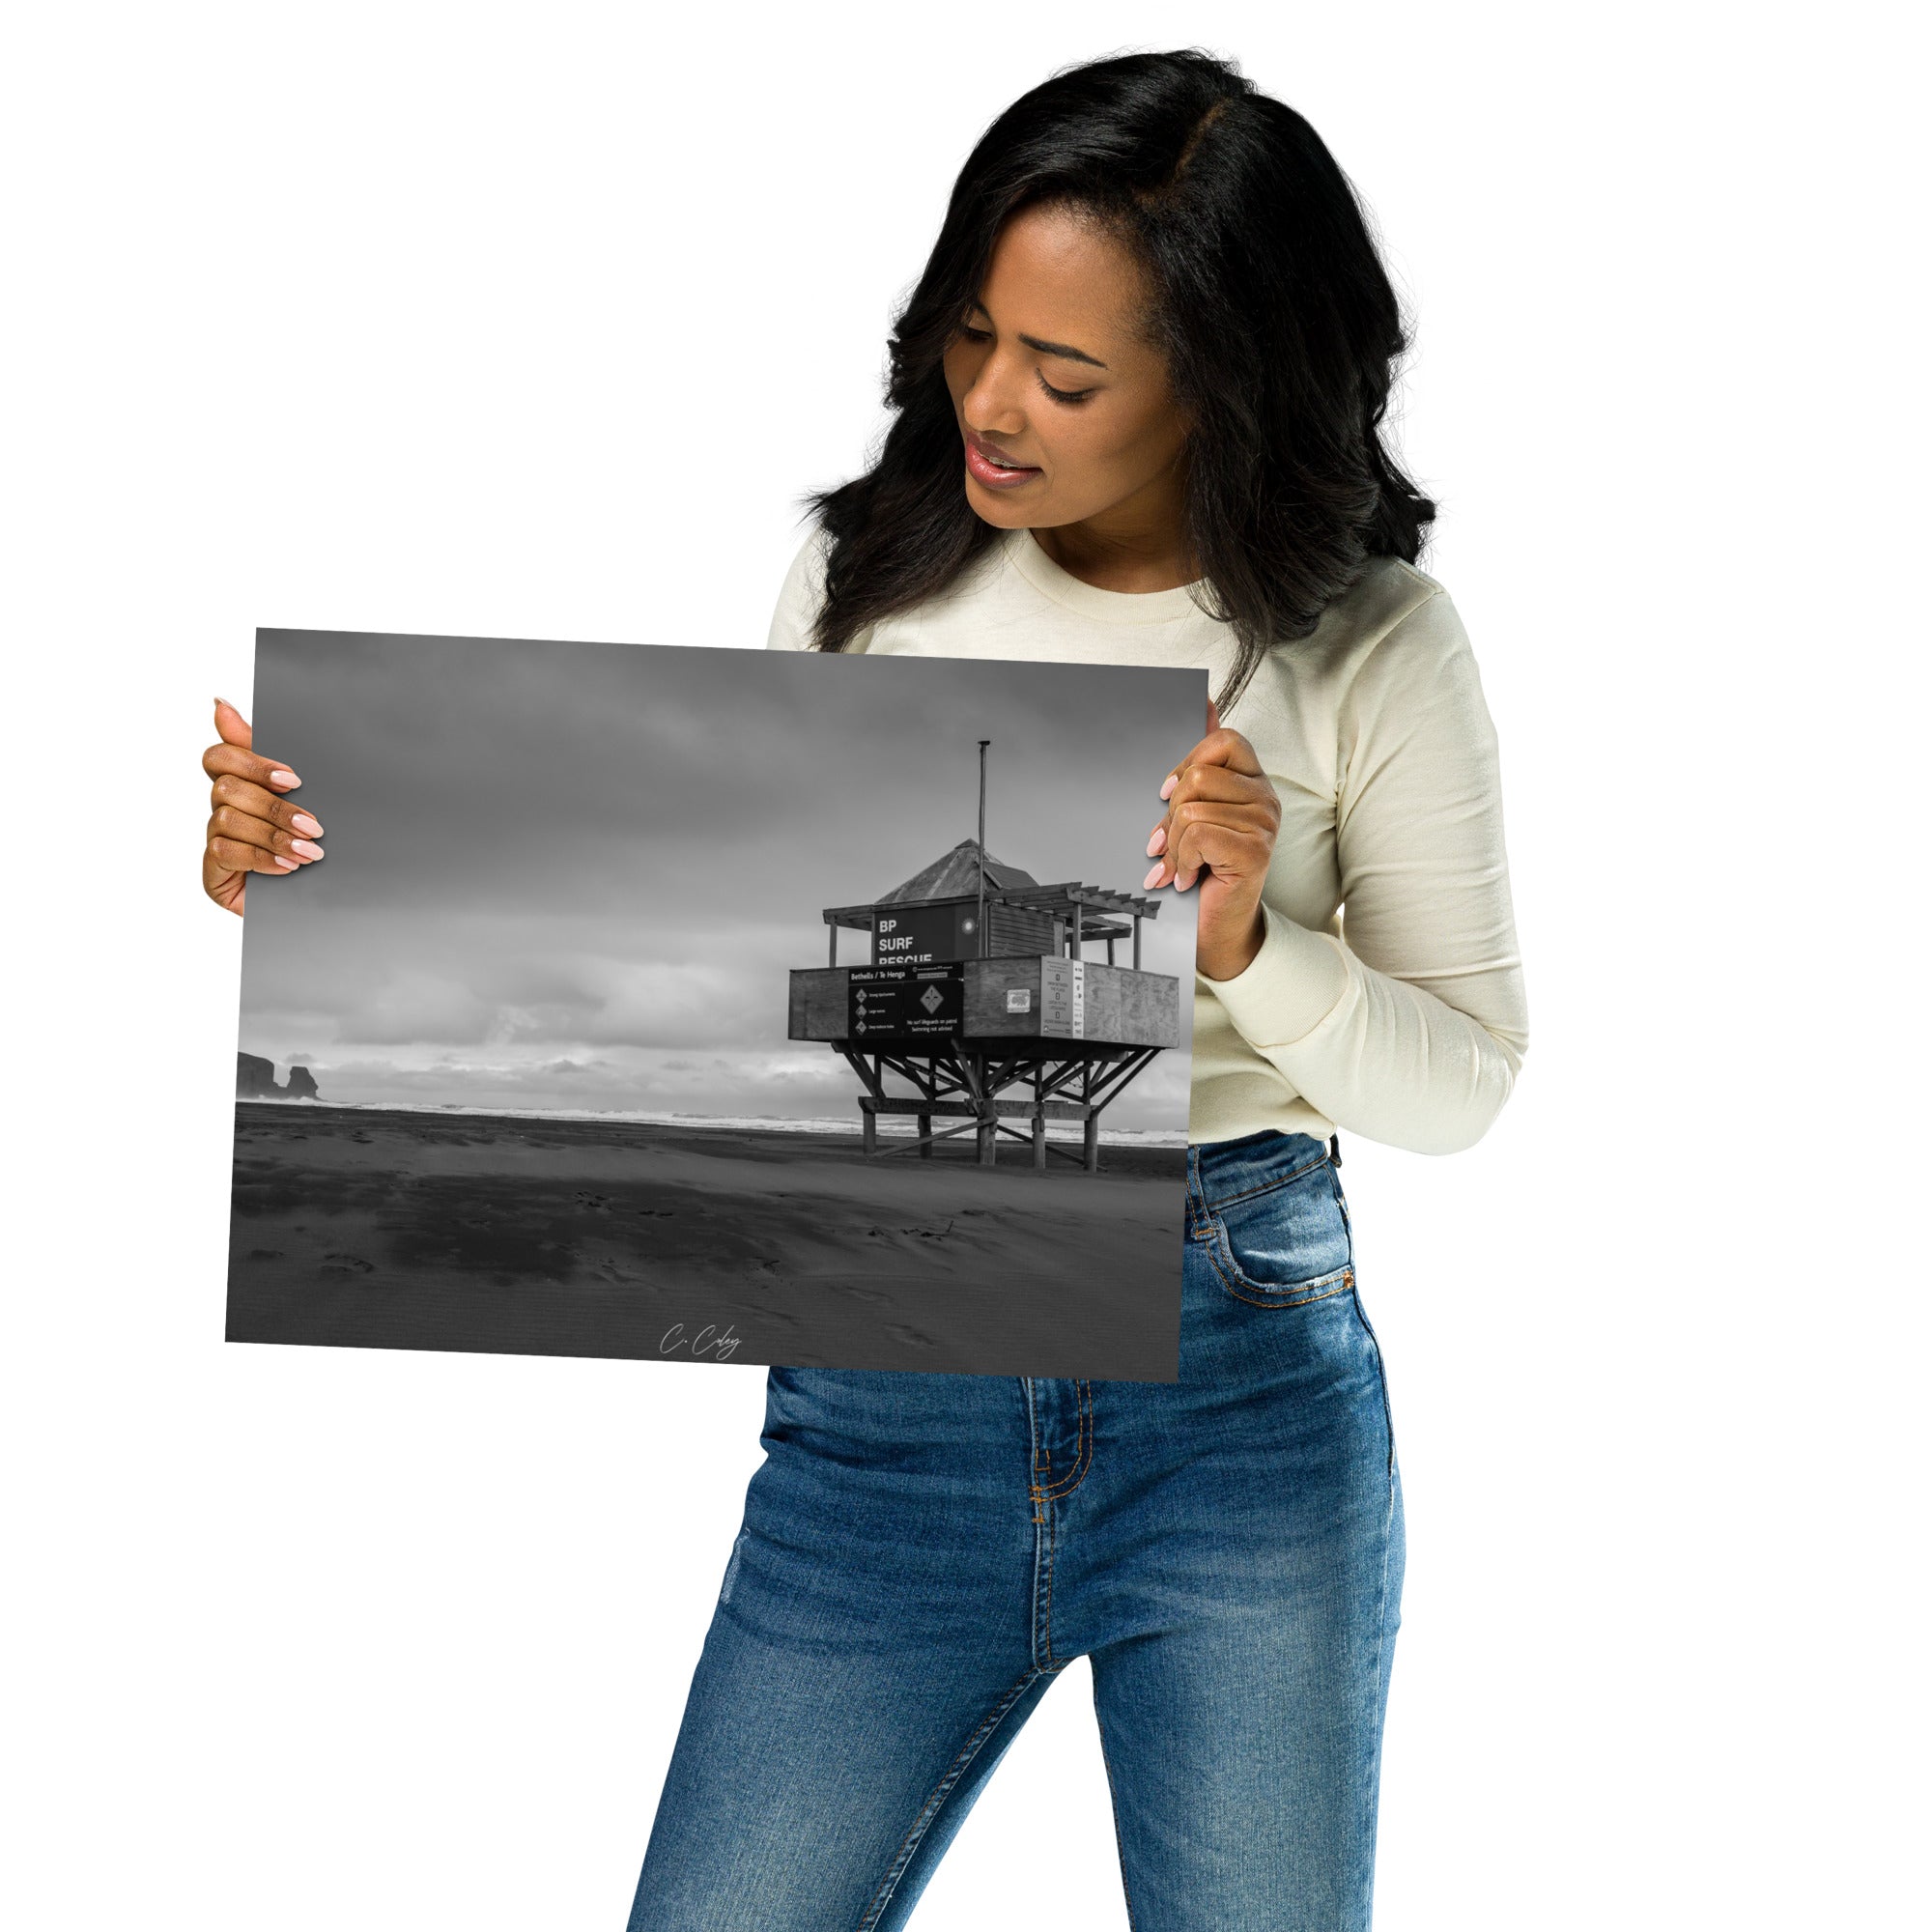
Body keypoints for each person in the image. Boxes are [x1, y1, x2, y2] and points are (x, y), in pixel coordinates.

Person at [199, 47, 1528, 1932]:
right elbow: (736, 955)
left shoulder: (1373, 641)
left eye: (1065, 375)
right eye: (971, 334)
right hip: (881, 1419)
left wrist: (1247, 945)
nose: (990, 402)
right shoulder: (862, 575)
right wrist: (326, 867)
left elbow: (1465, 1083)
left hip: (1234, 1386)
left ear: (1223, 380)